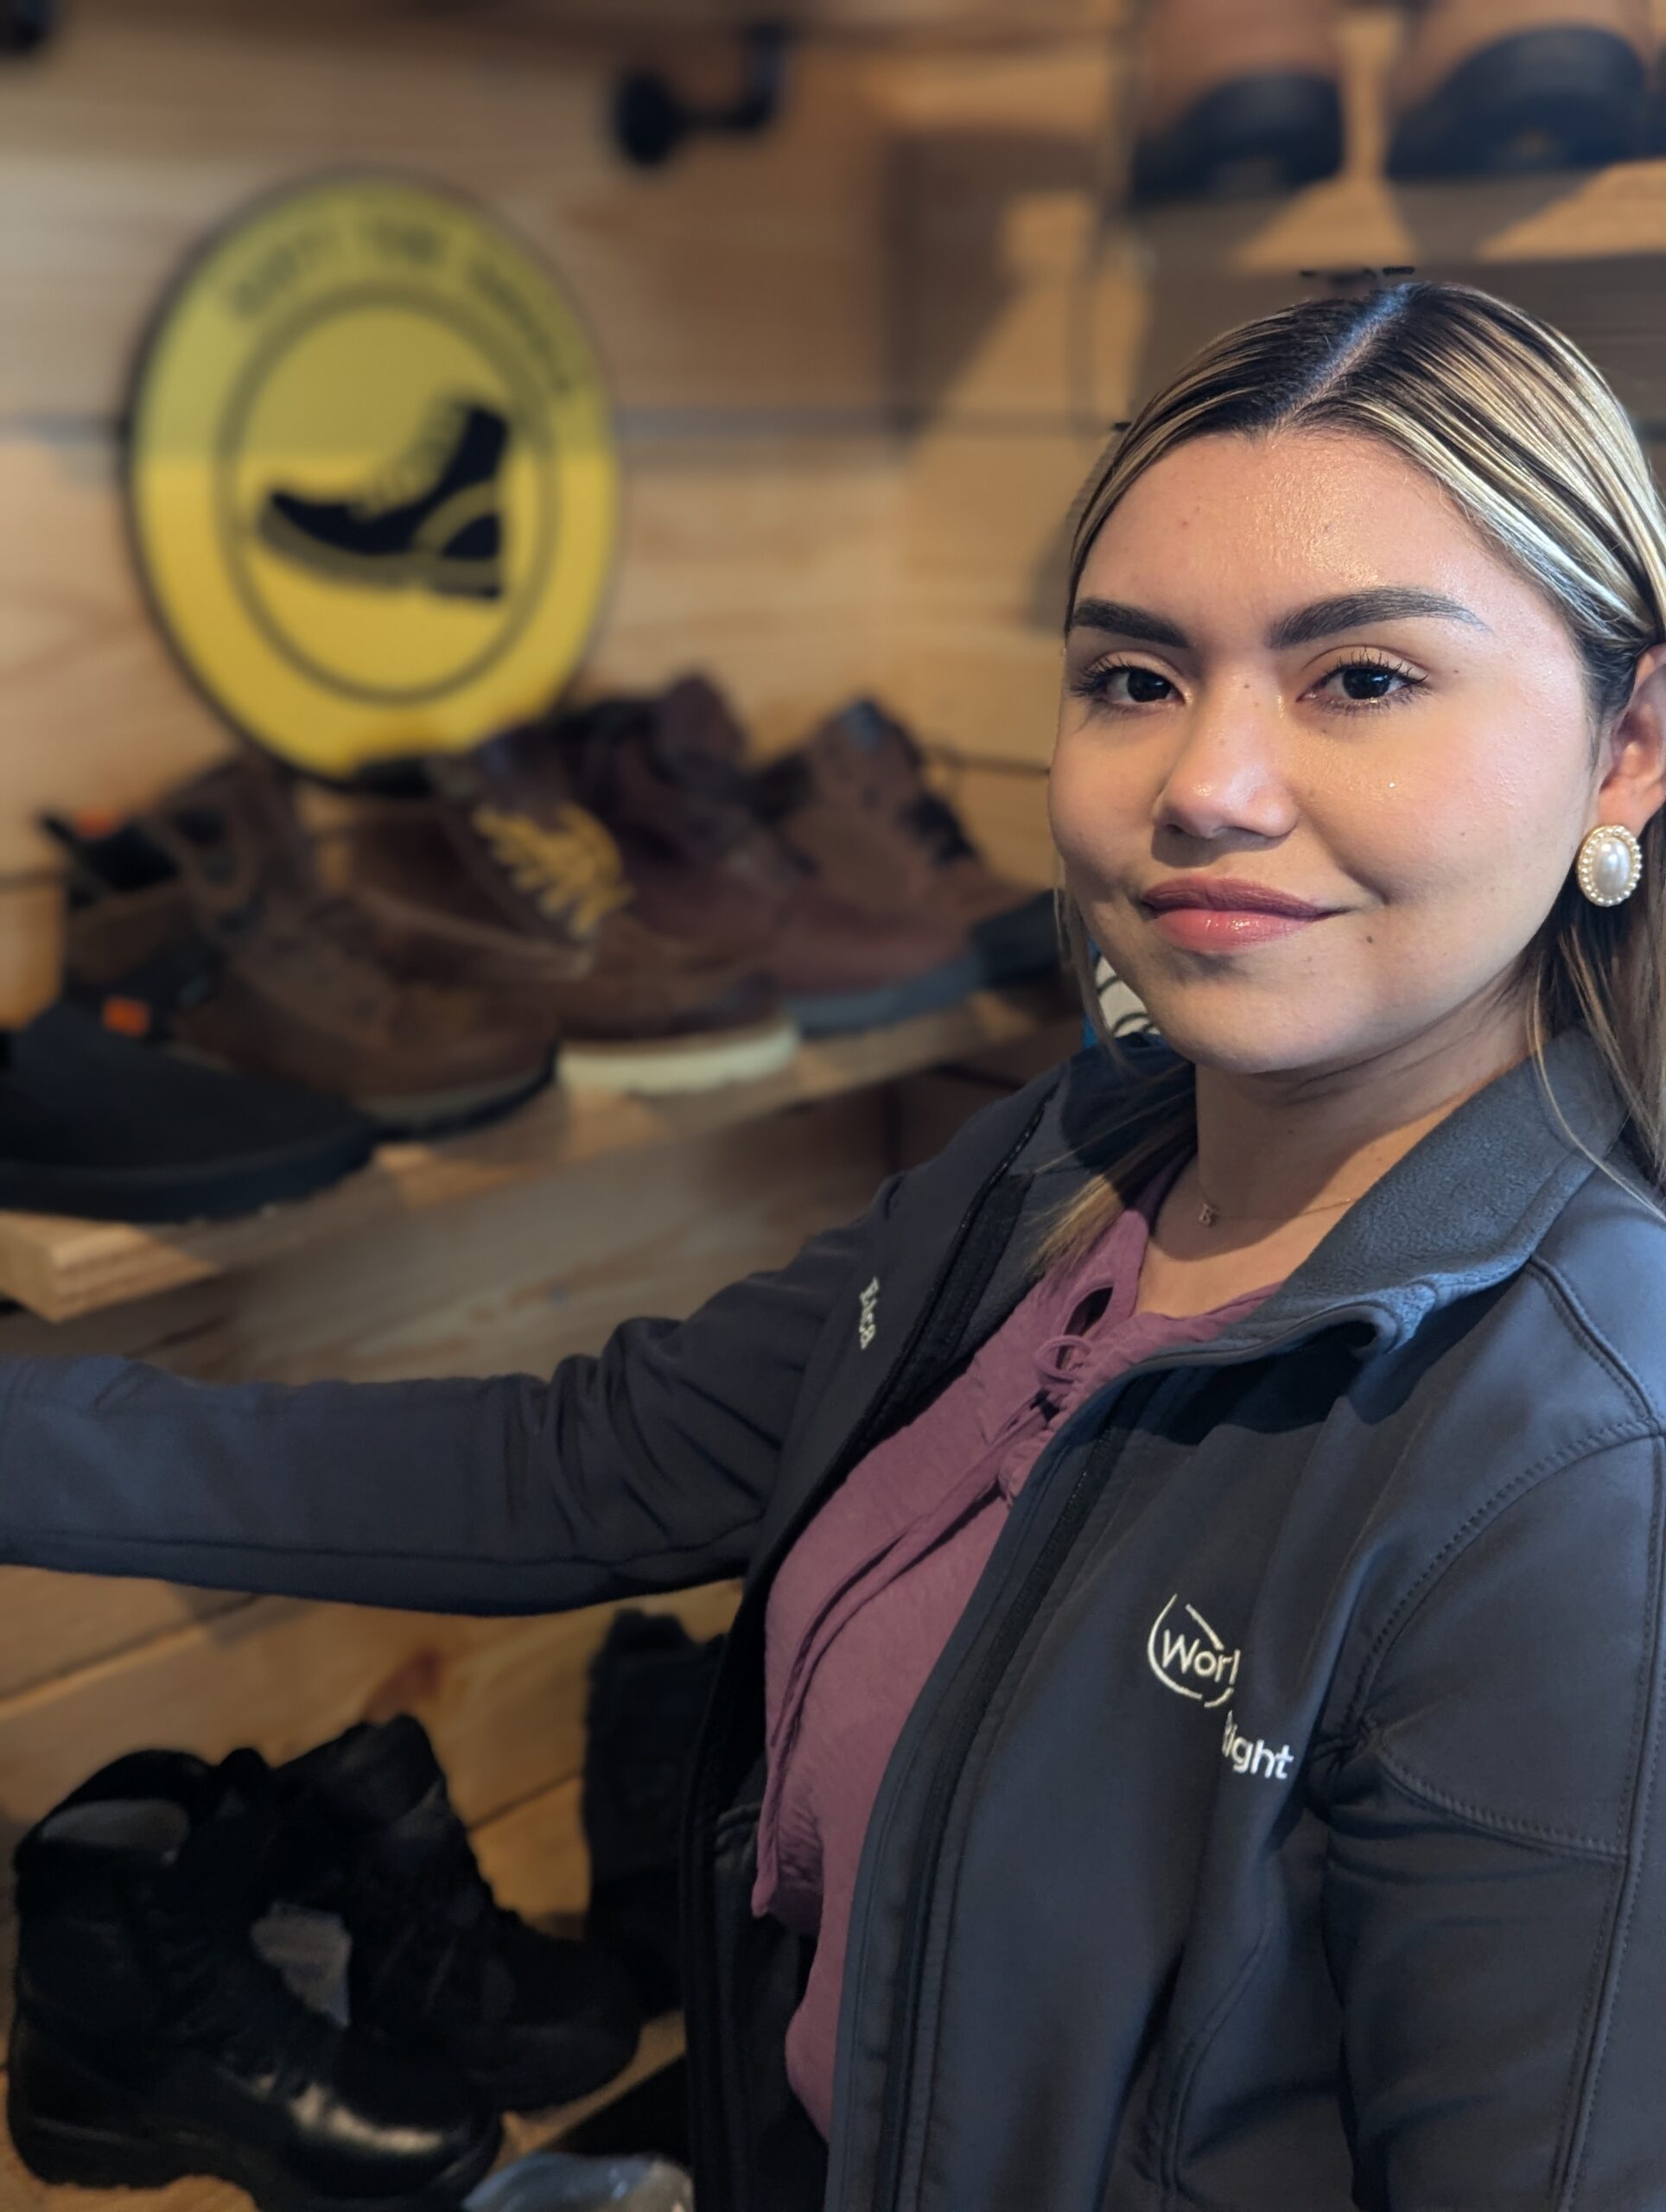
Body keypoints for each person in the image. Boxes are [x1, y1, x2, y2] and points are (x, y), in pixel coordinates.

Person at [6, 278, 1666, 2210]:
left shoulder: (1580, 1479)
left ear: (1626, 748)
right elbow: (577, 1462)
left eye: (1360, 677)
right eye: (1131, 678)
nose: (1205, 785)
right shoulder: (1070, 1163)